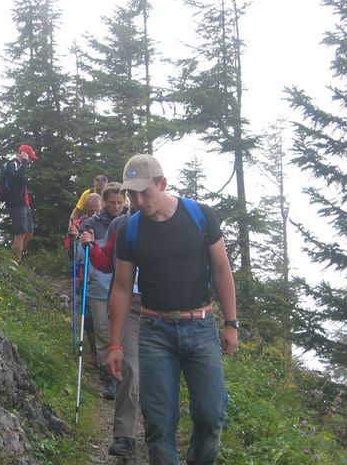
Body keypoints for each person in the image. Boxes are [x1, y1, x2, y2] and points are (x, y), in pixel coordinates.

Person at [108, 154, 238, 465]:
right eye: (132, 194)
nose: (138, 201)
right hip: (154, 332)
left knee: (211, 416)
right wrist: (115, 344)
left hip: (201, 326)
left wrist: (231, 323)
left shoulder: (200, 216)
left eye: (145, 192)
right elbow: (122, 287)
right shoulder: (130, 229)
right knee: (158, 424)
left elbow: (222, 270)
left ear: (163, 183)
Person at [78, 194, 141, 457]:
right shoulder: (120, 225)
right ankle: (125, 435)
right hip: (129, 302)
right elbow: (105, 262)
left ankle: (160, 432)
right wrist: (93, 246)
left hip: (161, 304)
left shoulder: (169, 222)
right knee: (129, 366)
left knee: (155, 369)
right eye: (133, 192)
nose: (139, 197)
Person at [72, 182, 127, 401]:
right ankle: (109, 376)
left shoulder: (130, 222)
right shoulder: (91, 223)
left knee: (125, 332)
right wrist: (82, 243)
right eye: (112, 202)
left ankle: (126, 375)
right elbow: (79, 255)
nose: (116, 206)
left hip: (124, 286)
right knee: (104, 332)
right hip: (98, 286)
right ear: (105, 201)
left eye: (120, 202)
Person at [65, 193, 102, 364]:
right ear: (85, 208)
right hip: (85, 276)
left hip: (103, 277)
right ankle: (94, 350)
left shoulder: (106, 224)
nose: (94, 213)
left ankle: (102, 350)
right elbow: (72, 254)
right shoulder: (79, 225)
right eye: (91, 210)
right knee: (88, 316)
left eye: (97, 210)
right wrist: (74, 238)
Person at [4, 144, 38, 264]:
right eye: (30, 157)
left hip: (24, 203)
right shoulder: (13, 163)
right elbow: (17, 178)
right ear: (23, 153)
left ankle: (17, 259)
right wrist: (23, 161)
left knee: (29, 232)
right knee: (21, 231)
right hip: (16, 203)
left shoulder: (20, 165)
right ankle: (15, 261)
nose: (30, 161)